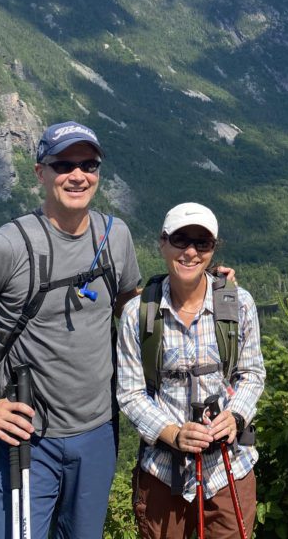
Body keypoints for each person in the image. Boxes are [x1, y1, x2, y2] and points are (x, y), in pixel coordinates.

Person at [0, 121, 142, 539]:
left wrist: (205, 287)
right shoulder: (9, 247)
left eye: (89, 164)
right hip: (27, 440)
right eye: (64, 165)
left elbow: (130, 310)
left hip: (97, 432)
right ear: (41, 172)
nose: (78, 175)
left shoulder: (115, 237)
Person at [117, 202, 265, 539]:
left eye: (203, 243)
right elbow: (130, 391)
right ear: (163, 242)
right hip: (163, 469)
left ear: (213, 249)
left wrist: (236, 416)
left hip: (229, 468)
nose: (191, 252)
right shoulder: (138, 314)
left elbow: (252, 373)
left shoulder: (239, 304)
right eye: (181, 240)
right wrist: (173, 433)